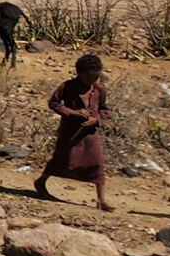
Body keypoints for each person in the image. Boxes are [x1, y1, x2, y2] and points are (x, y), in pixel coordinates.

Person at [35, 53, 115, 212]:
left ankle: (101, 200)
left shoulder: (99, 90)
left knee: (97, 164)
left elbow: (105, 110)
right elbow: (54, 103)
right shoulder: (67, 87)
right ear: (80, 74)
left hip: (90, 133)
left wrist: (97, 119)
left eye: (96, 78)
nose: (93, 82)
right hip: (70, 132)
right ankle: (41, 181)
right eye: (90, 78)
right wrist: (73, 112)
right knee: (61, 159)